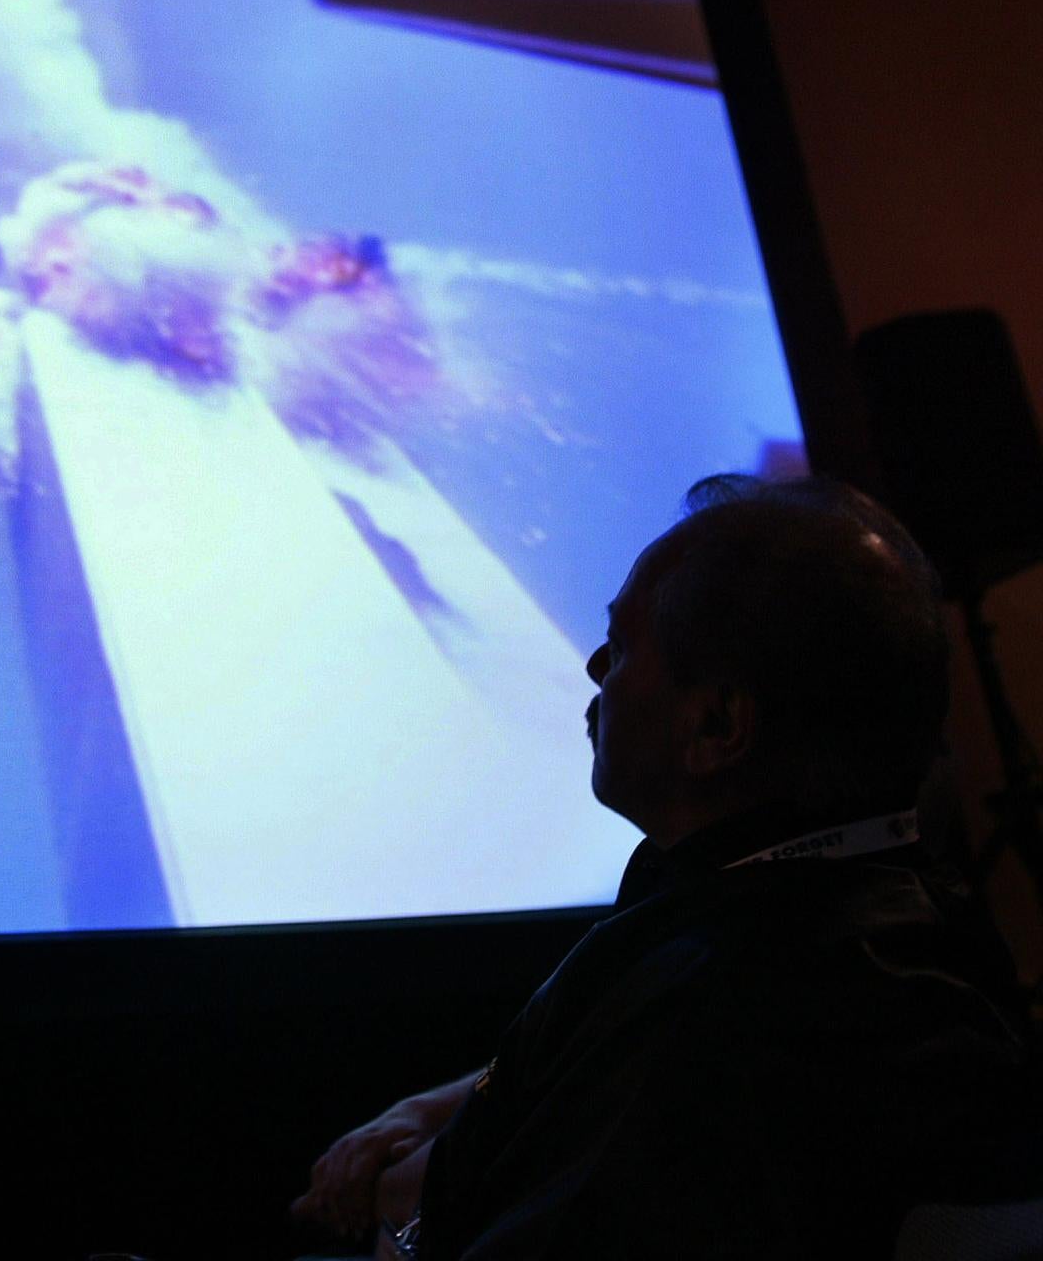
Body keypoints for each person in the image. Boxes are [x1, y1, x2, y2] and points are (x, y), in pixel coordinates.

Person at [291, 473, 1038, 1259]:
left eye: (623, 644)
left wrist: (403, 1230)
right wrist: (448, 1108)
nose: (592, 668)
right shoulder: (875, 918)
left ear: (716, 726)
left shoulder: (723, 1035)